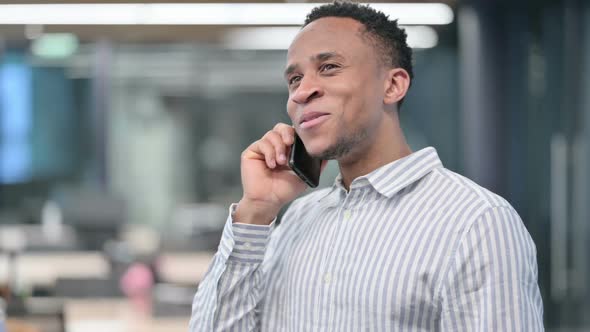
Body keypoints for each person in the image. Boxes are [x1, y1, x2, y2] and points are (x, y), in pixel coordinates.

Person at [189, 2, 544, 331]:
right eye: (294, 79)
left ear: (392, 85)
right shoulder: (297, 218)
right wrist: (255, 211)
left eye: (329, 67)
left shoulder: (477, 223)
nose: (301, 92)